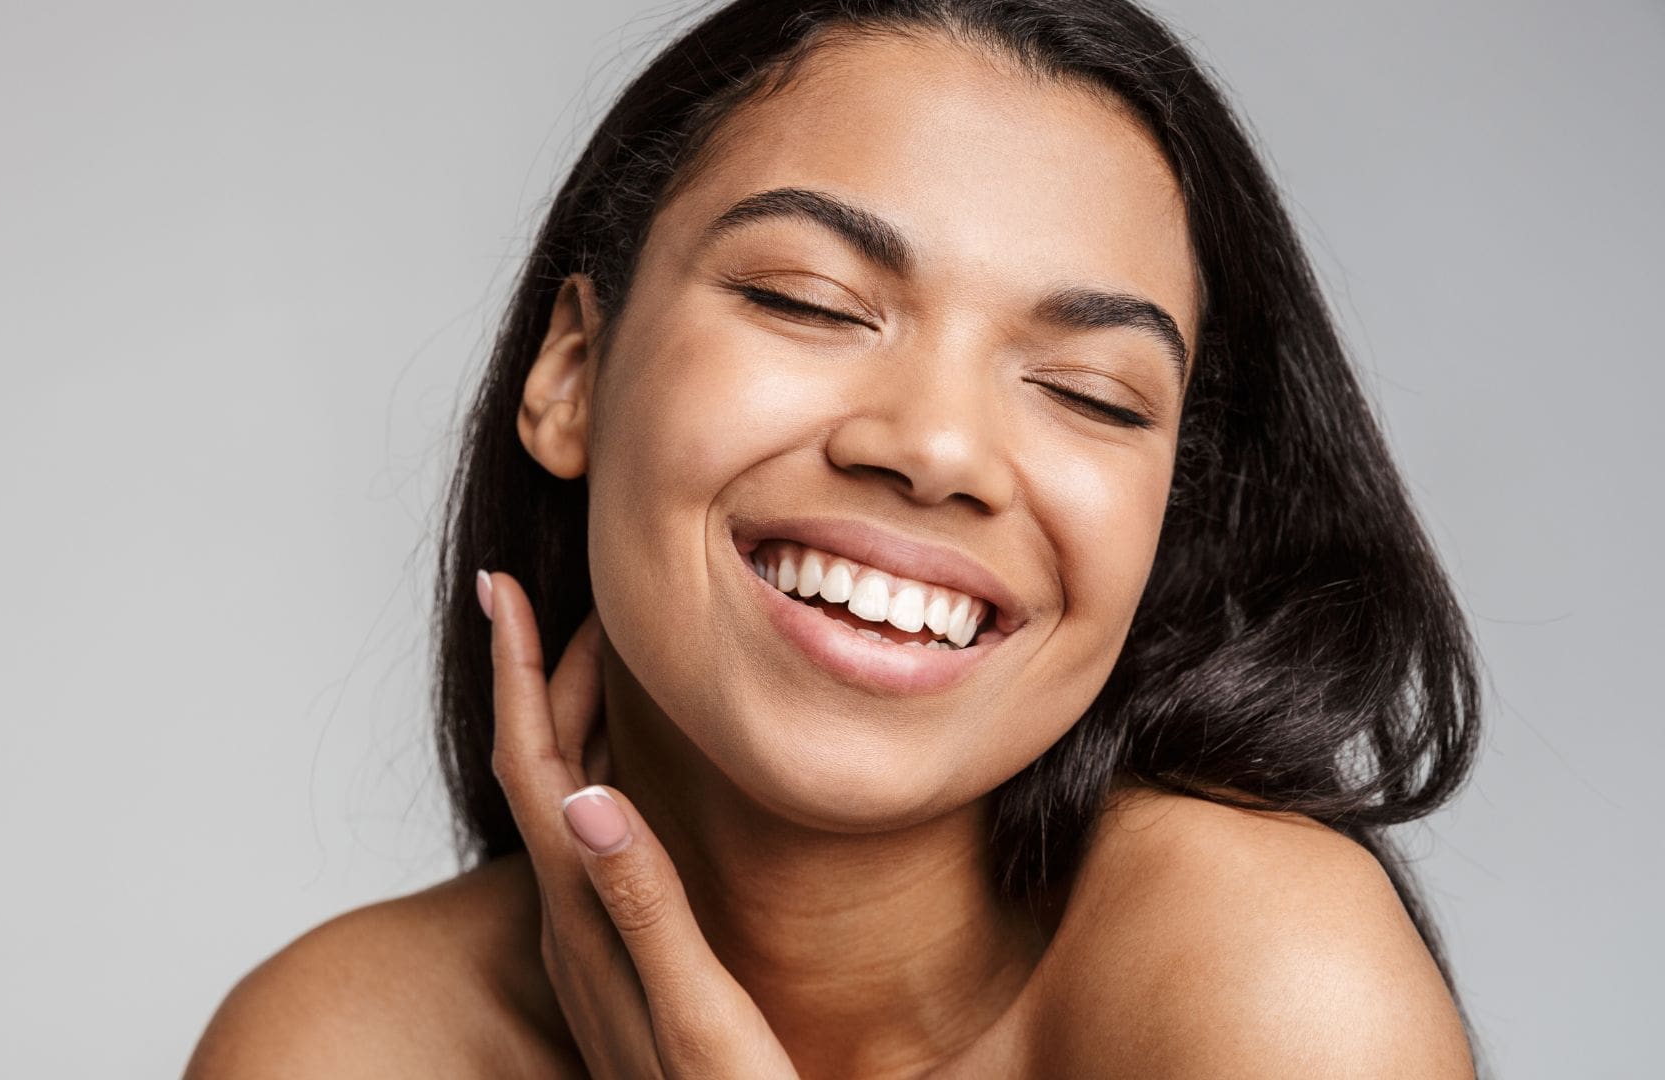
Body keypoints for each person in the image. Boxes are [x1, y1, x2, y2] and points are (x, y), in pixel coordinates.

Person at [184, 0, 1482, 1075]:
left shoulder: (1268, 983)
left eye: (1091, 391)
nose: (935, 449)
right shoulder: (344, 1042)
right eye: (809, 301)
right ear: (574, 371)